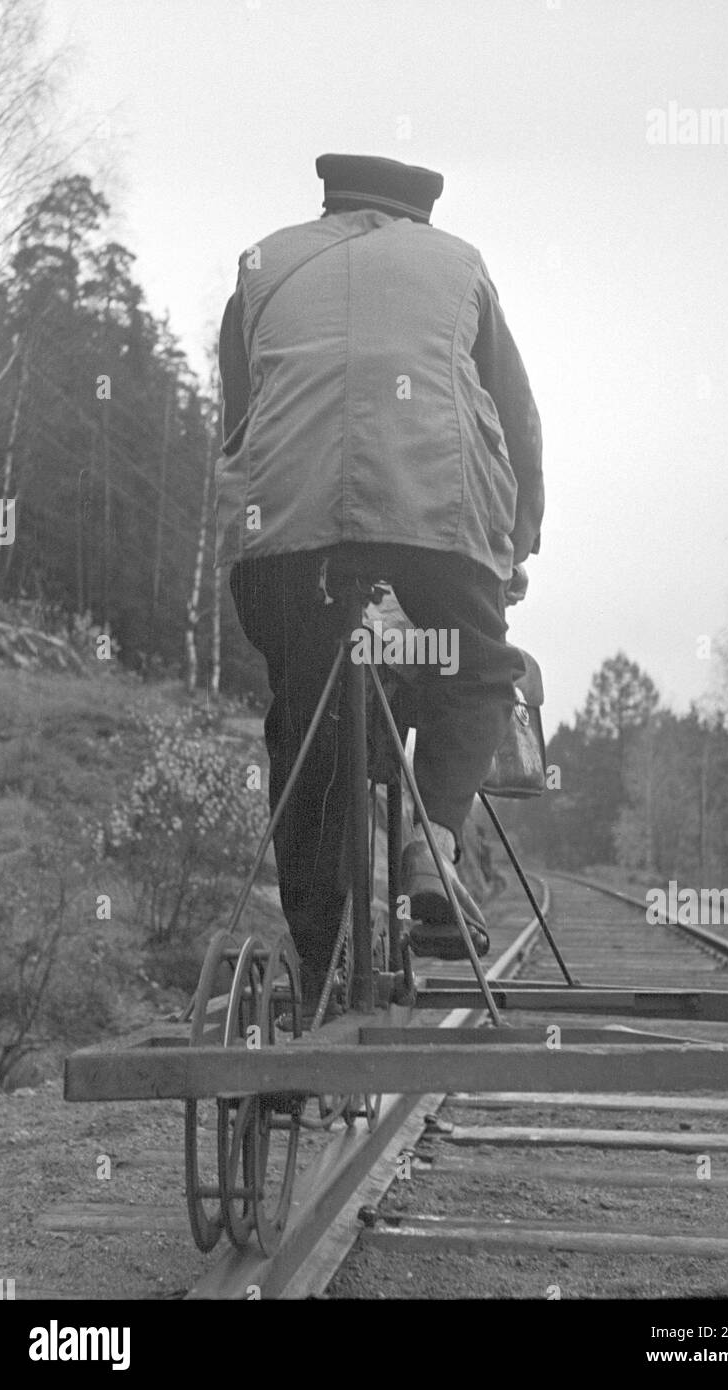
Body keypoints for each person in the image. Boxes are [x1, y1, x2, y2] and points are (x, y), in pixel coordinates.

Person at [217, 153, 543, 1005]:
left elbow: (238, 417)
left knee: (304, 719)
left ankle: (318, 959)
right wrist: (518, 549)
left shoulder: (263, 262)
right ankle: (428, 848)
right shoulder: (459, 264)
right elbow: (516, 417)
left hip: (286, 535)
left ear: (330, 202)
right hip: (433, 518)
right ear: (418, 218)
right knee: (477, 674)